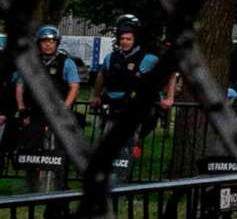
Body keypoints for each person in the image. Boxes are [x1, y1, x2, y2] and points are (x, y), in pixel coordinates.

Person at [95, 15, 171, 181]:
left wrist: (168, 98)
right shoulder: (111, 57)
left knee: (127, 147)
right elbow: (101, 75)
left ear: (135, 39)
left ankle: (122, 182)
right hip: (111, 109)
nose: (124, 42)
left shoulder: (147, 58)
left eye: (128, 39)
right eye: (122, 38)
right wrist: (95, 95)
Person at [12, 27, 83, 186]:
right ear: (39, 43)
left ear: (57, 43)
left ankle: (55, 184)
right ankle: (32, 184)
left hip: (56, 113)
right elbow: (20, 85)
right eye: (44, 41)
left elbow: (74, 86)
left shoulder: (67, 62)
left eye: (51, 41)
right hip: (34, 112)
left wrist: (65, 108)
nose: (48, 45)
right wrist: (21, 108)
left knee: (56, 150)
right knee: (31, 148)